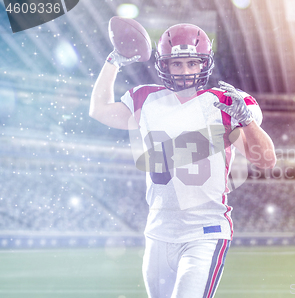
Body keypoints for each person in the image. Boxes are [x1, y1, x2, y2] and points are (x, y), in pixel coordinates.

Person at [89, 23, 276, 298]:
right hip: (158, 231)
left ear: (205, 64)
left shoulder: (224, 103)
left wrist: (247, 121)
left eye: (192, 63)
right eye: (177, 64)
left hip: (205, 231)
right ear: (164, 65)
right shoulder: (145, 99)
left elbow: (266, 161)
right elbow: (99, 110)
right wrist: (113, 60)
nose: (186, 71)